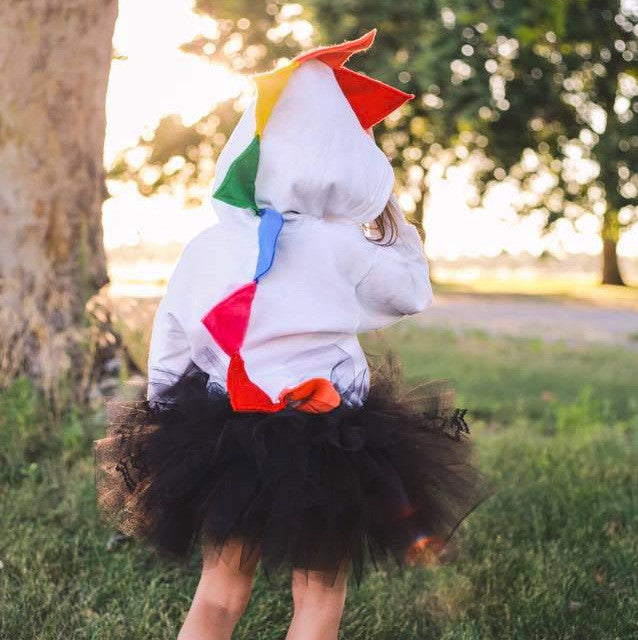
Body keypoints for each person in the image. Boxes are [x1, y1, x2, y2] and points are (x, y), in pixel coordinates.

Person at [94, 30, 491, 640]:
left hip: (229, 439)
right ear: (342, 160)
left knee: (221, 594)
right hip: (335, 441)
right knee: (317, 598)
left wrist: (168, 416)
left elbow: (172, 340)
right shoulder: (341, 246)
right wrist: (396, 222)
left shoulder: (207, 247)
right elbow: (411, 294)